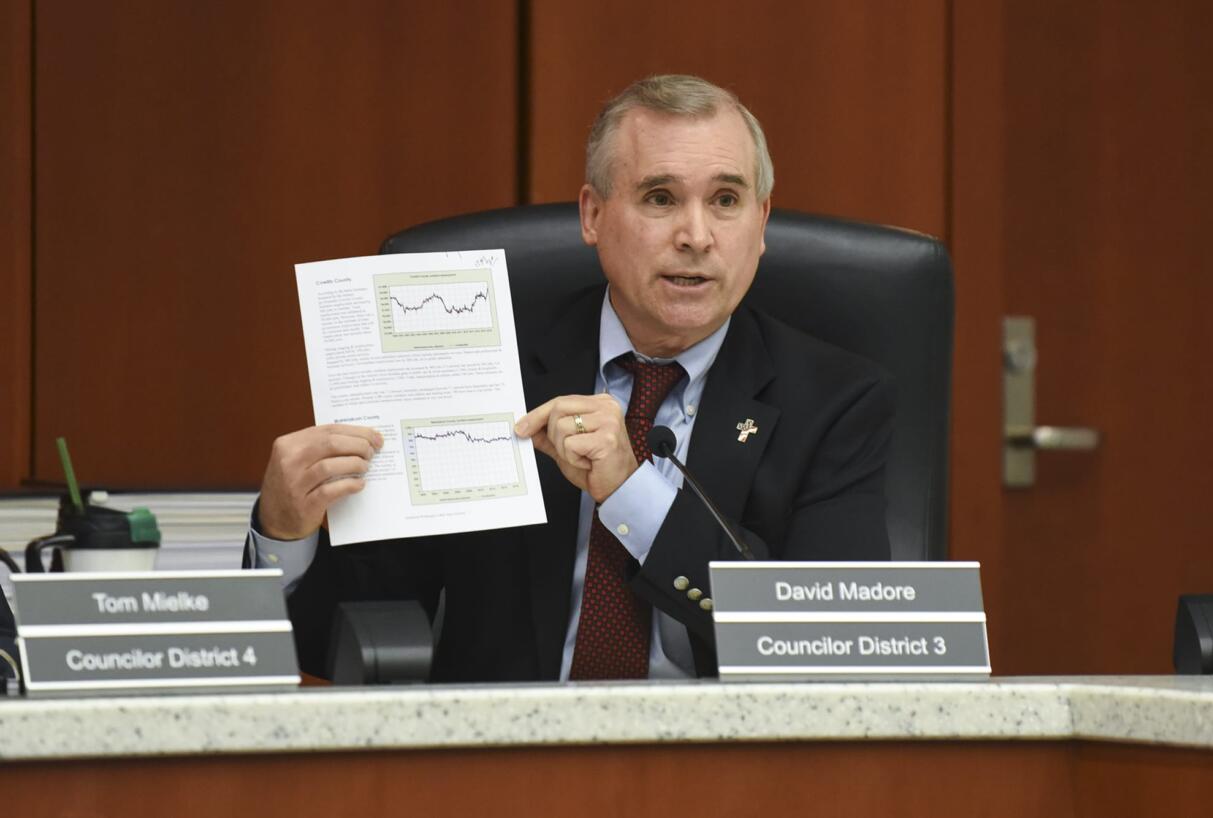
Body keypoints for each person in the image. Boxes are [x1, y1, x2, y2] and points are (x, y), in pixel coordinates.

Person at [248, 74, 895, 681]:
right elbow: (352, 638)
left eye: (725, 200)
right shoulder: (482, 369)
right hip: (503, 768)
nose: (696, 235)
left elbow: (825, 646)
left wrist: (631, 492)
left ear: (761, 224)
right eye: (660, 198)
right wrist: (284, 536)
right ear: (593, 215)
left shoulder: (836, 402)